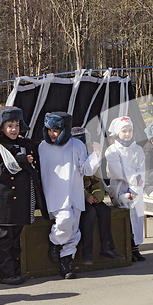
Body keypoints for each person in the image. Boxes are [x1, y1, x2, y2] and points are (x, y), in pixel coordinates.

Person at [0, 106, 47, 285]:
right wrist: (21, 161)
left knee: (15, 242)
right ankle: (5, 275)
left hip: (21, 203)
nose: (14, 129)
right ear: (2, 128)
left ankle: (16, 271)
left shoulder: (25, 144)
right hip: (4, 205)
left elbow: (38, 152)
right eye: (10, 125)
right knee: (4, 242)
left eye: (17, 125)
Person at [38, 112, 100, 279]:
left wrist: (97, 155)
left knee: (73, 230)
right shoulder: (42, 147)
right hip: (54, 194)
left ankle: (66, 263)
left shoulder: (77, 145)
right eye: (49, 130)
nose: (52, 134)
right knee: (65, 220)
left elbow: (86, 169)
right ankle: (55, 242)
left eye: (56, 131)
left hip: (74, 192)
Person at [72, 127, 124, 265]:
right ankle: (87, 254)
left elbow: (97, 180)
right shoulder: (70, 158)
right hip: (77, 198)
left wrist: (97, 196)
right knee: (89, 215)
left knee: (104, 211)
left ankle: (107, 249)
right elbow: (72, 184)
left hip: (91, 198)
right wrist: (86, 196)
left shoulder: (89, 158)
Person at [104, 117, 146, 261]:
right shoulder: (112, 151)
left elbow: (142, 170)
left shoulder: (138, 149)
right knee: (126, 219)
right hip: (121, 188)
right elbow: (119, 172)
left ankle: (136, 247)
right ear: (117, 133)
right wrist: (133, 180)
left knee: (137, 218)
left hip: (136, 190)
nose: (127, 134)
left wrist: (136, 188)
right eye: (124, 131)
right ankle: (126, 248)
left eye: (130, 130)